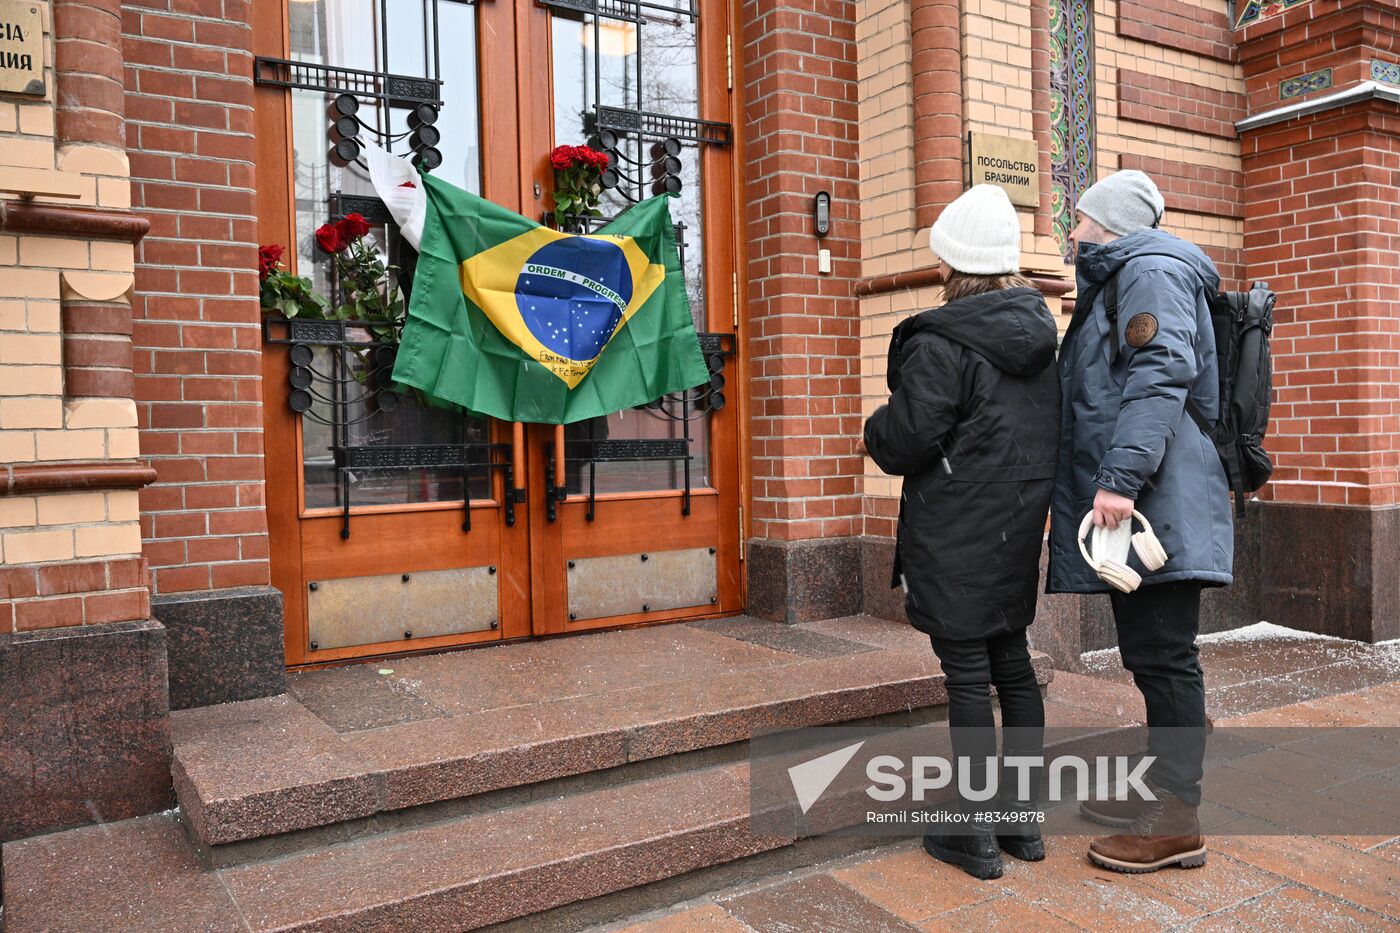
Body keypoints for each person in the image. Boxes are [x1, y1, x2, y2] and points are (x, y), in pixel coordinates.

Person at [863, 184, 1061, 880]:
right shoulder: (1040, 336)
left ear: (954, 262)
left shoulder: (942, 341)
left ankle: (972, 831)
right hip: (1016, 526)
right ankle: (1021, 822)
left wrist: (874, 428)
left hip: (954, 528)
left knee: (969, 676)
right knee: (1013, 663)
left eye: (941, 255)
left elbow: (907, 438)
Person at [1047, 169, 1232, 873]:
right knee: (1152, 652)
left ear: (1111, 224)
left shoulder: (1150, 270)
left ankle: (1176, 818)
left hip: (1158, 495)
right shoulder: (1135, 272)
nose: (1073, 232)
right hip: (1158, 494)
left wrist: (1119, 481)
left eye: (1081, 219)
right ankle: (1162, 792)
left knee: (1165, 654)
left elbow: (1159, 374)